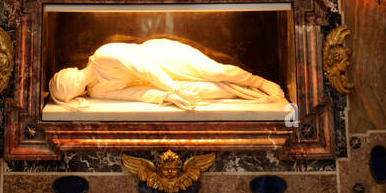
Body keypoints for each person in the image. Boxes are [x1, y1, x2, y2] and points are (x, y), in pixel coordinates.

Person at [49, 37, 292, 111]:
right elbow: (139, 93)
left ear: (69, 72)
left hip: (162, 57)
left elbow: (146, 67)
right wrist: (169, 98)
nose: (74, 82)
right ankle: (247, 93)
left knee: (214, 71)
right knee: (213, 91)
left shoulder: (103, 54)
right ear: (75, 93)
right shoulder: (99, 92)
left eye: (66, 81)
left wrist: (173, 89)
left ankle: (260, 82)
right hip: (164, 84)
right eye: (69, 88)